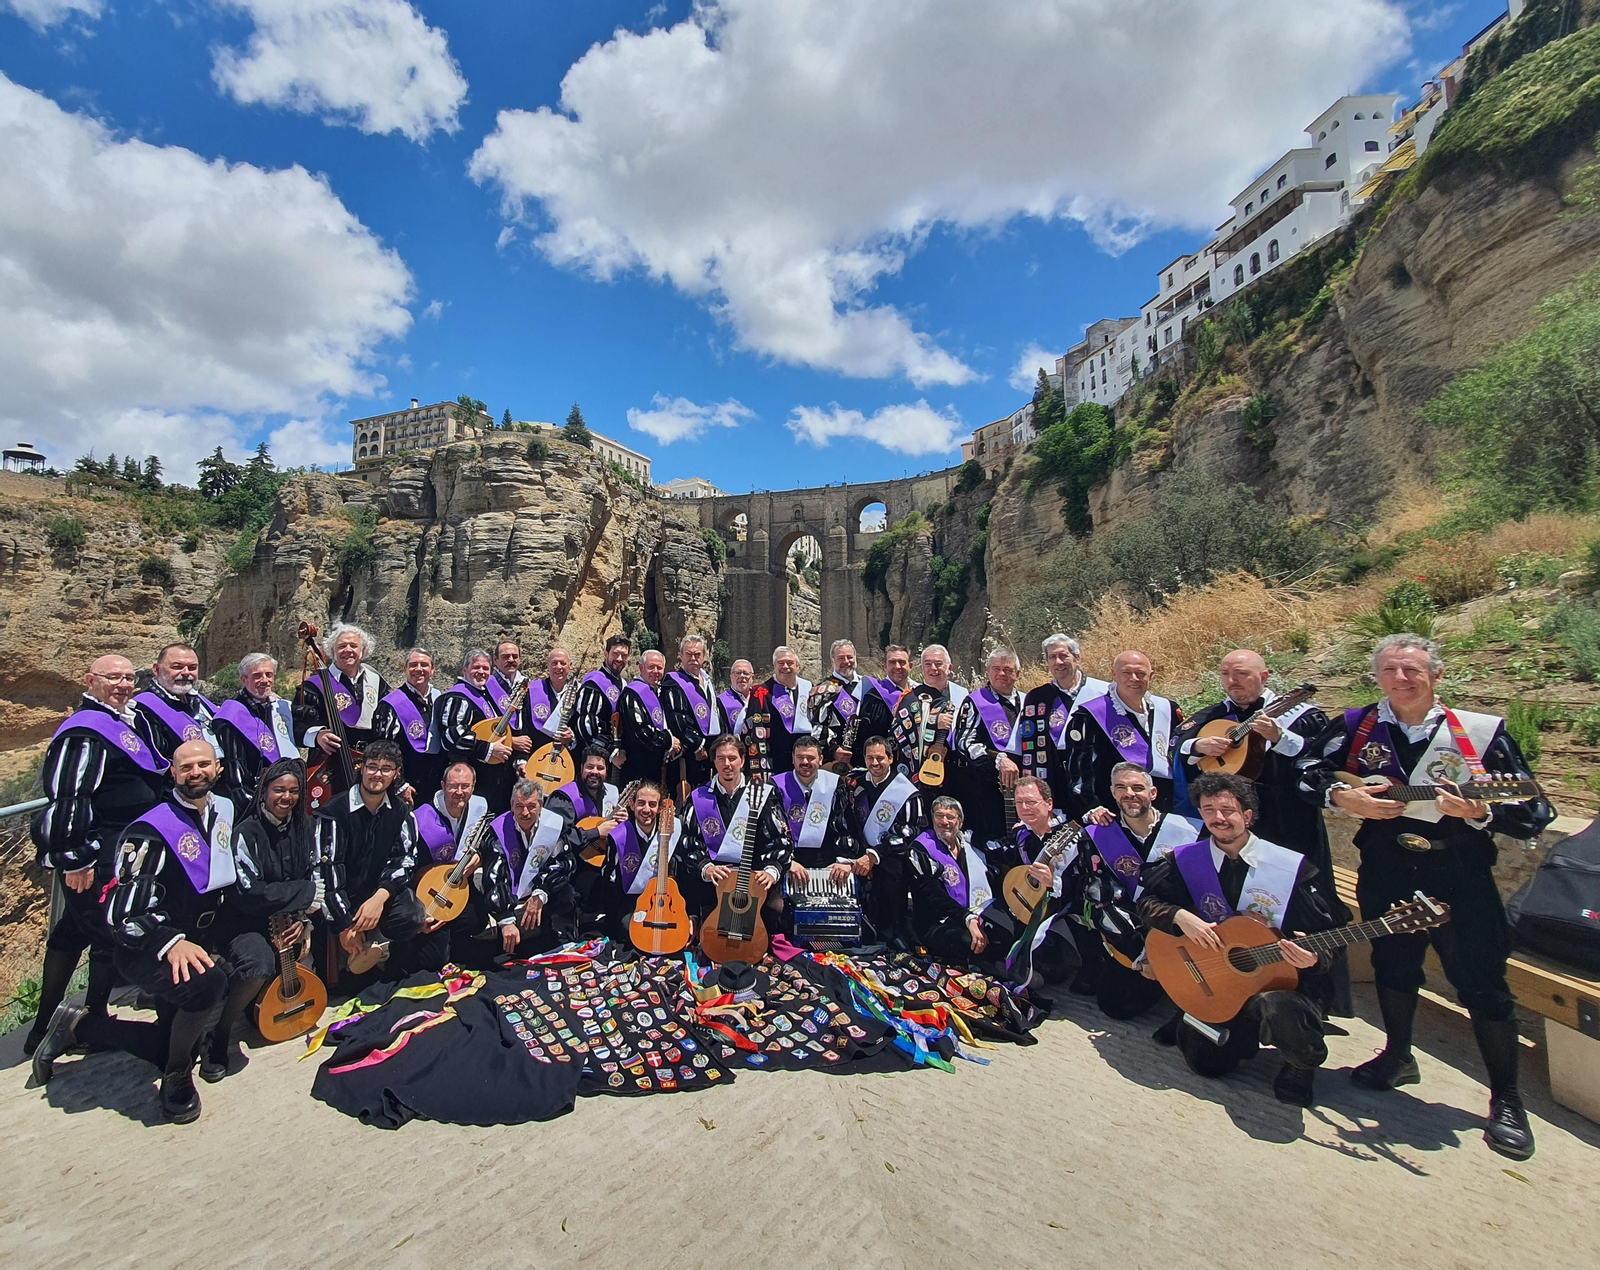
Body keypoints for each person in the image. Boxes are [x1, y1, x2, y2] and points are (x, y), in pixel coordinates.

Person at [1298, 633, 1553, 1159]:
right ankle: (1397, 1055)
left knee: (1481, 981)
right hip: (1387, 864)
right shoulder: (1355, 726)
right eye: (1391, 670)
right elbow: (1305, 772)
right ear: (1378, 677)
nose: (1401, 678)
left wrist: (1480, 812)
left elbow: (1534, 811)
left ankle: (1506, 1099)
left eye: (1413, 670)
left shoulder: (1479, 734)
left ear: (1436, 675)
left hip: (1458, 869)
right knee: (1394, 965)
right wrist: (1341, 795)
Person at [35, 742, 274, 1123]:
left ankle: (81, 1025)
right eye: (186, 767)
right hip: (148, 943)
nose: (196, 773)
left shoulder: (224, 810)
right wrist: (170, 942)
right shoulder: (151, 830)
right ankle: (176, 1077)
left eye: (203, 765)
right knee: (205, 989)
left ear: (218, 769)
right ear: (173, 775)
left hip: (206, 930)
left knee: (253, 961)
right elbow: (122, 914)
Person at [1138, 773, 1341, 1107]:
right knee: (1206, 1065)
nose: (1219, 818)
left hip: (1279, 983)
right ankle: (1234, 1032)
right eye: (1209, 810)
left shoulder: (1290, 867)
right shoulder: (1187, 860)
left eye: (1227, 809)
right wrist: (1180, 917)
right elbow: (1147, 902)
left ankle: (1300, 1065)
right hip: (1221, 981)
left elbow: (1328, 935)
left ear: (1247, 816)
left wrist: (1316, 958)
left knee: (1279, 1006)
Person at [24, 654, 166, 1060]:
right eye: (113, 678)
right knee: (107, 930)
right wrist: (75, 857)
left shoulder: (123, 720)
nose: (123, 684)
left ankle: (45, 1026)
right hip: (99, 853)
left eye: (127, 678)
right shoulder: (84, 731)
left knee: (73, 930)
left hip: (121, 847)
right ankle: (87, 1022)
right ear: (91, 680)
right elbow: (69, 795)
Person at [1176, 649, 1331, 873]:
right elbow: (1175, 745)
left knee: (1299, 880)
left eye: (1240, 673)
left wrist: (1279, 737)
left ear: (1264, 676)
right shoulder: (1212, 715)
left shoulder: (1302, 716)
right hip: (1229, 819)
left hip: (1288, 817)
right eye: (1225, 674)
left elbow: (1321, 757)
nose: (1232, 681)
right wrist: (1197, 746)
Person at [1080, 762, 1202, 1020]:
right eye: (1121, 787)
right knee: (1114, 1003)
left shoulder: (1188, 831)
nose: (1130, 794)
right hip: (1138, 930)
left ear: (1153, 793)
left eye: (1138, 787)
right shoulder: (1099, 835)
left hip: (1182, 927)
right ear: (1112, 793)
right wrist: (1141, 955)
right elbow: (1103, 901)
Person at [224, 759, 321, 1067]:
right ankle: (222, 1031)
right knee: (259, 966)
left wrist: (303, 920)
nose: (286, 797)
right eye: (279, 790)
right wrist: (304, 896)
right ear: (264, 791)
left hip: (293, 920)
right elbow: (250, 893)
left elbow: (314, 873)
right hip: (247, 920)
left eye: (293, 791)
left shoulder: (306, 826)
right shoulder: (245, 833)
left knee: (308, 970)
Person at [315, 739, 428, 979]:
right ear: (362, 768)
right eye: (372, 766)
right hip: (341, 900)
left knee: (412, 915)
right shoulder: (333, 812)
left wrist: (380, 897)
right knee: (338, 980)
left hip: (376, 894)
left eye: (386, 769)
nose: (378, 774)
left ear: (396, 773)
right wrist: (345, 925)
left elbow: (405, 860)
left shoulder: (401, 812)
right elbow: (326, 873)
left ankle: (380, 949)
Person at [679, 734, 793, 922]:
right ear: (714, 762)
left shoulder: (763, 795)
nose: (727, 764)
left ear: (742, 760)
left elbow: (780, 839)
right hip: (714, 881)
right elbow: (687, 841)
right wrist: (705, 867)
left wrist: (772, 870)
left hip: (754, 878)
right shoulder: (699, 797)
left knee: (776, 913)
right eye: (721, 759)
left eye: (732, 758)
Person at [1063, 649, 1183, 821]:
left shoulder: (1168, 709)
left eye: (1140, 673)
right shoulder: (1089, 716)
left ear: (1151, 676)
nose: (1133, 678)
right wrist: (1092, 806)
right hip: (1114, 812)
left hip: (1165, 807)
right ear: (1114, 675)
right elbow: (1078, 769)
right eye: (1126, 673)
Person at [986, 776, 1084, 987]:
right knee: (989, 920)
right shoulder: (1022, 834)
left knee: (1055, 939)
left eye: (1031, 802)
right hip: (1027, 903)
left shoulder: (1072, 836)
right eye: (1019, 803)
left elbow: (1084, 885)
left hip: (1061, 908)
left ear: (1049, 804)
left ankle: (1037, 969)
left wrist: (1054, 883)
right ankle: (1020, 965)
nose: (1024, 808)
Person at [905, 797, 1013, 972]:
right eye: (939, 816)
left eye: (950, 817)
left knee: (1008, 927)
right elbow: (932, 895)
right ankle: (990, 965)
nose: (944, 822)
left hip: (976, 914)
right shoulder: (920, 850)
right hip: (940, 922)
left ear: (960, 822)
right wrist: (967, 918)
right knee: (967, 940)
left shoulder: (970, 844)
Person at [479, 778, 579, 958]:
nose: (525, 812)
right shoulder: (497, 831)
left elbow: (565, 862)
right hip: (510, 891)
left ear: (541, 805)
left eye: (531, 806)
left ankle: (563, 942)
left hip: (541, 889)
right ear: (511, 805)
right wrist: (505, 918)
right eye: (519, 806)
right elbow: (494, 875)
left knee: (566, 894)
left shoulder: (554, 824)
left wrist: (541, 892)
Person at [775, 736, 864, 934]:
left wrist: (844, 860)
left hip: (827, 860)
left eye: (810, 758)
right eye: (800, 757)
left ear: (821, 759)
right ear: (792, 759)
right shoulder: (777, 787)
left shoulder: (835, 786)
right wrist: (786, 861)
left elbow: (845, 824)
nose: (805, 762)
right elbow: (772, 831)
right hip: (791, 861)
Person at [293, 623, 388, 800]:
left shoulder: (377, 682)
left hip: (369, 763)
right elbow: (297, 725)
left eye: (354, 646)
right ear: (332, 651)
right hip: (330, 764)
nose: (348, 650)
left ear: (363, 650)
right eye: (342, 646)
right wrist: (318, 736)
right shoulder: (315, 686)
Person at [849, 735, 923, 945]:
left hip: (890, 859)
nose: (875, 763)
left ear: (891, 759)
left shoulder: (906, 791)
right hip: (859, 854)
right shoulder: (857, 784)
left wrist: (875, 855)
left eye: (880, 758)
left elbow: (909, 834)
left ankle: (894, 936)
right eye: (870, 758)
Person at [950, 647, 1025, 849]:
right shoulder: (975, 702)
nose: (1002, 674)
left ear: (1017, 673)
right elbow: (964, 742)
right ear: (988, 671)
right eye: (996, 669)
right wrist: (998, 759)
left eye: (1008, 669)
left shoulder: (1028, 703)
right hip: (987, 786)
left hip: (1024, 786)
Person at [1019, 634, 1108, 795]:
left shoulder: (1102, 692)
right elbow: (1029, 745)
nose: (1058, 662)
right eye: (1052, 657)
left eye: (1063, 656)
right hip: (1054, 780)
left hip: (1096, 780)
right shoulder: (1037, 697)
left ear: (1077, 658)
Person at [547, 745, 623, 928]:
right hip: (570, 865)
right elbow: (556, 840)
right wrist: (596, 832)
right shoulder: (564, 798)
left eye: (600, 768)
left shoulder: (611, 794)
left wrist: (623, 825)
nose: (594, 772)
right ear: (581, 768)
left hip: (600, 860)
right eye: (590, 767)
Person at [597, 781, 681, 943]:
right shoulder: (619, 836)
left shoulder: (672, 831)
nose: (647, 810)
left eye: (652, 804)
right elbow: (611, 883)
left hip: (665, 904)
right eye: (641, 803)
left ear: (660, 808)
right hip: (631, 904)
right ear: (632, 805)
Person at [212, 651, 299, 802]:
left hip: (283, 794)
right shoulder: (232, 714)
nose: (265, 680)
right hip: (253, 797)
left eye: (269, 675)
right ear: (243, 680)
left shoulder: (279, 707)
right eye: (257, 676)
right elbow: (234, 770)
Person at [438, 649, 516, 812]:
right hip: (471, 777)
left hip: (493, 778)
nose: (481, 672)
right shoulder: (458, 697)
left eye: (486, 668)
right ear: (465, 670)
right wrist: (488, 749)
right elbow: (452, 737)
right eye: (476, 667)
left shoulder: (484, 694)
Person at [889, 644, 968, 793]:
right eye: (928, 664)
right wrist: (932, 723)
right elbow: (899, 732)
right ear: (921, 668)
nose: (933, 668)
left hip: (959, 772)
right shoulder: (910, 698)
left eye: (939, 664)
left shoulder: (962, 695)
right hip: (926, 772)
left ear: (949, 667)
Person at [373, 646, 444, 807]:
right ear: (405, 669)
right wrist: (399, 785)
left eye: (424, 665)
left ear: (432, 670)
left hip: (437, 786)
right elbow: (383, 750)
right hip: (409, 788)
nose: (418, 669)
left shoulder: (439, 699)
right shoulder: (390, 705)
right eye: (413, 665)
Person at [132, 643, 222, 765]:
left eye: (192, 667)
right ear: (156, 670)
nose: (186, 673)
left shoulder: (200, 701)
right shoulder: (142, 709)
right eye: (177, 667)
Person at [812, 639, 894, 772]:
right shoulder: (824, 690)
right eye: (840, 658)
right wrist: (833, 750)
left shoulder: (871, 684)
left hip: (871, 760)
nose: (846, 661)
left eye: (849, 657)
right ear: (832, 661)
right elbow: (816, 727)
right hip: (840, 761)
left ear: (855, 658)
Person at [662, 634, 725, 790]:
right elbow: (676, 717)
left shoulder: (707, 681)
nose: (693, 658)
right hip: (690, 753)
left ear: (704, 657)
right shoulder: (673, 682)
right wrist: (697, 745)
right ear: (680, 656)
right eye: (688, 654)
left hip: (711, 751)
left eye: (697, 654)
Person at [618, 649, 682, 787]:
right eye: (651, 667)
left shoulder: (658, 692)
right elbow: (640, 731)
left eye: (659, 668)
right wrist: (668, 740)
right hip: (638, 765)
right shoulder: (632, 694)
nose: (655, 671)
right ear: (641, 668)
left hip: (656, 766)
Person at [752, 646, 813, 776]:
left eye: (790, 663)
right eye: (781, 663)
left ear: (797, 666)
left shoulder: (808, 688)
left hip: (805, 760)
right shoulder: (762, 692)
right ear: (774, 666)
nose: (785, 666)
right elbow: (755, 730)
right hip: (776, 761)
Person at [573, 634, 630, 766]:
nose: (620, 659)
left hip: (617, 757)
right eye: (615, 654)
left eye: (624, 656)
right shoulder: (594, 682)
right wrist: (611, 752)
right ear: (606, 654)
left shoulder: (623, 683)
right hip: (594, 759)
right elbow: (585, 723)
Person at [524, 646, 579, 768]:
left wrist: (572, 737)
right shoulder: (533, 690)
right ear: (548, 665)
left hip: (565, 761)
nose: (558, 667)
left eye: (563, 663)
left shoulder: (579, 693)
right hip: (536, 756)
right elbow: (525, 725)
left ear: (570, 666)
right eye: (554, 663)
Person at [489, 639, 537, 767]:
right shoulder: (487, 685)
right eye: (505, 656)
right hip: (493, 756)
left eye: (515, 656)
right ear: (495, 660)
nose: (511, 660)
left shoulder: (526, 684)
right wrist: (512, 741)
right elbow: (482, 724)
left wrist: (522, 759)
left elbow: (528, 722)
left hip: (520, 759)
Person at [719, 659, 755, 738]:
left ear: (753, 678)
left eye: (746, 673)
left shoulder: (759, 699)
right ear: (731, 677)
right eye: (738, 673)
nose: (742, 676)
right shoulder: (719, 702)